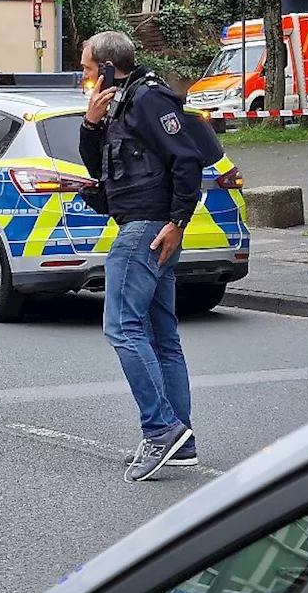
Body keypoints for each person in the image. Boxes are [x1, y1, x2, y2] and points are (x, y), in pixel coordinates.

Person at [77, 31, 221, 483]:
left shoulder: (149, 99)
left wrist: (178, 221)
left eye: (85, 68)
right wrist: (90, 124)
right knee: (161, 333)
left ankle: (161, 429)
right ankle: (181, 441)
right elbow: (96, 164)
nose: (84, 77)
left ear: (105, 66)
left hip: (147, 227)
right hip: (147, 225)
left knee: (121, 326)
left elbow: (187, 159)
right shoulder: (119, 104)